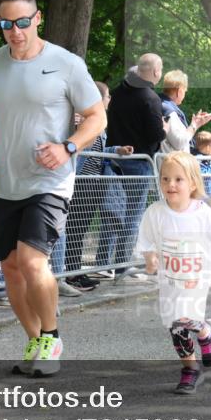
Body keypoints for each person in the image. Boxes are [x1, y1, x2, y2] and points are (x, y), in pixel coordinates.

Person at [0, 0, 106, 377]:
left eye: (23, 22)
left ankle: (51, 336)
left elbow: (97, 116)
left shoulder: (66, 63)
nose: (15, 31)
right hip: (6, 183)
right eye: (6, 24)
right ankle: (35, 338)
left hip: (50, 180)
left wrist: (68, 147)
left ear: (37, 18)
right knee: (11, 267)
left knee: (32, 261)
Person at [137, 152, 211, 394]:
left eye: (178, 179)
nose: (170, 184)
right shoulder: (155, 212)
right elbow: (146, 239)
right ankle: (191, 368)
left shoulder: (202, 213)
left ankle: (205, 332)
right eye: (165, 179)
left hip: (196, 279)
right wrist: (150, 257)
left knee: (184, 318)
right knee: (175, 326)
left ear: (193, 183)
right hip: (169, 280)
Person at [63, 82, 133, 292]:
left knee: (81, 230)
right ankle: (71, 273)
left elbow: (98, 151)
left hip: (95, 183)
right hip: (80, 183)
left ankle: (76, 271)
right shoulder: (80, 122)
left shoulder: (99, 124)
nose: (110, 99)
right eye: (107, 95)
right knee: (75, 229)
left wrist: (116, 149)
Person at [106, 54, 167, 277]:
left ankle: (104, 262)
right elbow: (155, 134)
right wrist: (165, 130)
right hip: (139, 162)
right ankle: (122, 264)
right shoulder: (150, 98)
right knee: (133, 216)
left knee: (112, 213)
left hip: (113, 159)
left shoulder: (117, 92)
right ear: (156, 72)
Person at [159, 70, 211, 153]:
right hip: (171, 160)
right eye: (185, 91)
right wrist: (194, 125)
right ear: (179, 91)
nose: (184, 94)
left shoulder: (159, 104)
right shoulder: (168, 111)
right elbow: (179, 142)